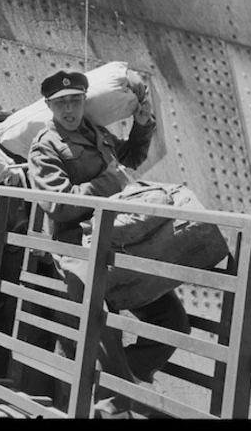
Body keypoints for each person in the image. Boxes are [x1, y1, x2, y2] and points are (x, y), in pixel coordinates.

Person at [27, 70, 190, 418]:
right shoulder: (45, 146)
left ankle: (124, 379)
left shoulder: (97, 133)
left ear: (85, 101)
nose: (69, 109)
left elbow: (128, 159)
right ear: (49, 106)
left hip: (117, 236)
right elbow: (58, 204)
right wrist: (110, 182)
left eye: (74, 100)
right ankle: (112, 406)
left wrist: (142, 126)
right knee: (98, 316)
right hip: (74, 244)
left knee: (173, 321)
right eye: (61, 104)